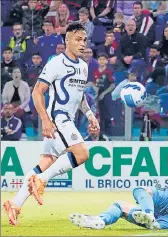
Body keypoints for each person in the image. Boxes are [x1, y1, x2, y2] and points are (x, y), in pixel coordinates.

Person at [2, 22, 100, 226]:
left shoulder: (83, 66)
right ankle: (42, 180)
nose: (82, 44)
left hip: (67, 120)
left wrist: (90, 115)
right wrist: (46, 120)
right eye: (78, 39)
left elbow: (79, 96)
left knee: (44, 163)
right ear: (67, 40)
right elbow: (37, 91)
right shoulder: (56, 62)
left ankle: (15, 203)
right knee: (82, 154)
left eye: (84, 40)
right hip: (58, 119)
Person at [93, 53, 115, 136]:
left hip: (106, 95)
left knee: (107, 114)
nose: (101, 61)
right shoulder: (95, 71)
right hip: (98, 96)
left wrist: (104, 94)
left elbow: (112, 85)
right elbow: (95, 83)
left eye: (103, 59)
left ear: (106, 61)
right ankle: (101, 134)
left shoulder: (108, 72)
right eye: (100, 59)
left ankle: (109, 134)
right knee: (100, 115)